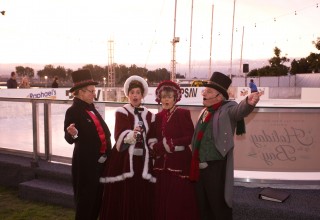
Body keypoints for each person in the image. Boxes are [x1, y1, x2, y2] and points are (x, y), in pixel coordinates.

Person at [190, 72, 260, 220]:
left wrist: (248, 102)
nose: (204, 93)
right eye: (205, 90)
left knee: (218, 205)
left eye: (208, 91)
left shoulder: (227, 110)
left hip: (216, 167)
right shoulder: (204, 111)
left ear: (219, 96)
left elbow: (239, 111)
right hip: (199, 167)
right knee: (202, 204)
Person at [100, 75, 156, 220]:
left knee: (141, 193)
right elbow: (119, 135)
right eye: (132, 93)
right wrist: (133, 134)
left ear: (142, 94)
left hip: (142, 161)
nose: (135, 95)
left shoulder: (150, 115)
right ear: (128, 95)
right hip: (123, 160)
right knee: (125, 193)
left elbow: (152, 137)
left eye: (138, 92)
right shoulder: (122, 111)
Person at [64, 69, 112, 220]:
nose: (94, 94)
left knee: (97, 202)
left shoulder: (91, 108)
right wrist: (72, 133)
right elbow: (71, 137)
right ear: (80, 92)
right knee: (86, 203)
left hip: (100, 164)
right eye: (91, 91)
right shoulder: (73, 111)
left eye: (94, 91)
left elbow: (103, 133)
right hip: (86, 166)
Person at [149, 80, 199, 220]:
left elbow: (190, 136)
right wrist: (154, 145)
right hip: (162, 164)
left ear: (175, 98)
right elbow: (153, 136)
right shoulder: (157, 117)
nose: (166, 100)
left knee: (177, 196)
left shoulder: (183, 113)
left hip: (179, 161)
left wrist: (171, 144)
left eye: (169, 97)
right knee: (162, 195)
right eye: (164, 97)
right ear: (159, 98)